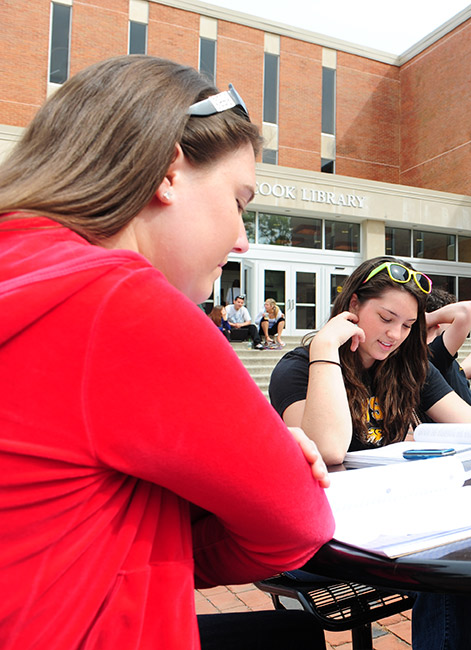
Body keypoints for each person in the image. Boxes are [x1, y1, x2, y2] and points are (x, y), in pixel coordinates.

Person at [0, 55, 334, 649]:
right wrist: (182, 536)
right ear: (168, 173)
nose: (242, 239)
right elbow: (296, 523)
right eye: (239, 200)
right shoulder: (118, 301)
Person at [268, 256, 471, 650]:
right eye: (386, 318)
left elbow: (470, 421)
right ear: (353, 306)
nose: (395, 335)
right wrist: (325, 347)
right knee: (442, 557)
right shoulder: (302, 368)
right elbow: (330, 448)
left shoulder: (406, 365)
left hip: (394, 517)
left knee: (467, 544)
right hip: (322, 538)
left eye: (407, 325)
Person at [424, 289, 471, 415]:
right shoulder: (434, 353)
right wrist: (428, 318)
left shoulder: (437, 357)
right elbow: (468, 310)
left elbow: (460, 374)